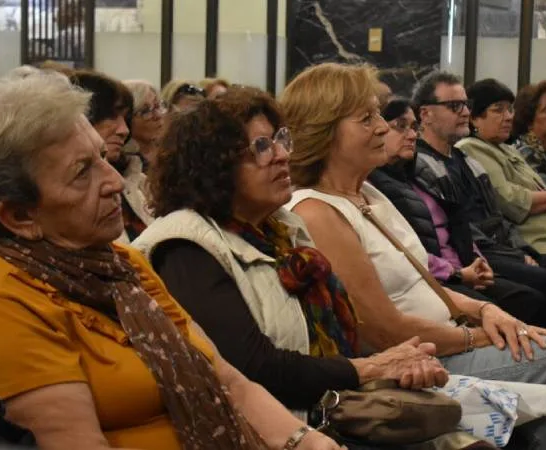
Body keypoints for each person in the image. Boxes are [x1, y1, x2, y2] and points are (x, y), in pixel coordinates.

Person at [281, 62, 546, 450]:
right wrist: (478, 336)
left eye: (378, 115)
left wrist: (485, 310)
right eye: (367, 118)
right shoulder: (317, 212)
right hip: (412, 366)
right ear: (324, 130)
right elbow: (382, 331)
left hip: (442, 341)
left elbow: (423, 282)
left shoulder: (367, 193)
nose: (383, 128)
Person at [0, 68, 341, 449]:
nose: (115, 182)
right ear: (19, 216)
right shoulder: (3, 300)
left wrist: (307, 442)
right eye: (82, 172)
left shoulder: (121, 265)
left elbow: (230, 382)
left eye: (102, 157)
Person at [131, 87, 449, 418]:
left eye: (280, 140)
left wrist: (385, 366)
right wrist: (371, 368)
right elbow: (255, 367)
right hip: (264, 427)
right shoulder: (184, 246)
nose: (282, 155)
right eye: (261, 147)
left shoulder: (281, 229)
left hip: (325, 409)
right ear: (212, 164)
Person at [368, 98, 546, 329]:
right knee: (526, 299)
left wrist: (477, 259)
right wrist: (457, 273)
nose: (412, 135)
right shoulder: (376, 186)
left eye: (414, 127)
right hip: (437, 278)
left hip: (465, 263)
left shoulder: (419, 175)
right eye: (400, 126)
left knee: (535, 294)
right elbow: (406, 252)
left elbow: (460, 223)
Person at [410, 71, 546, 307]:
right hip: (468, 254)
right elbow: (463, 228)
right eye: (454, 106)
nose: (465, 112)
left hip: (496, 247)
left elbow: (498, 217)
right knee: (538, 288)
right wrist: (515, 255)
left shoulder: (465, 160)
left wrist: (522, 250)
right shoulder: (421, 164)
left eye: (466, 104)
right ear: (425, 114)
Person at [457, 78, 546, 255]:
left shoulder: (507, 148)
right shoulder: (470, 148)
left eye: (510, 109)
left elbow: (538, 187)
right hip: (532, 246)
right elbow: (509, 200)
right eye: (498, 110)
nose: (509, 116)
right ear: (475, 118)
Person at [67, 71, 154, 244]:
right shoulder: (67, 193)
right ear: (82, 117)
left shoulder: (138, 181)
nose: (124, 130)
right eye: (110, 116)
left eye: (125, 118)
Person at [123, 79, 165, 169]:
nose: (158, 115)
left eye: (158, 106)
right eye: (145, 111)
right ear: (127, 118)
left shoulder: (172, 151)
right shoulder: (121, 162)